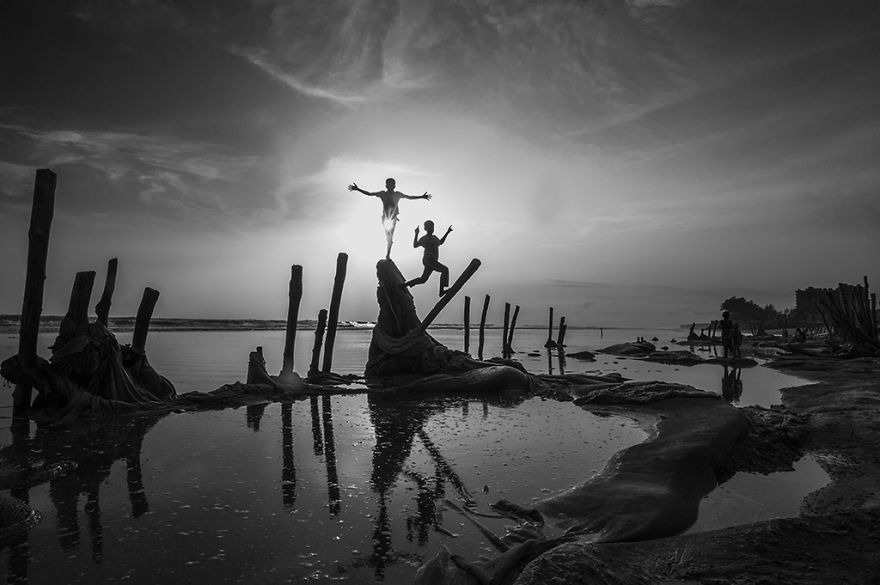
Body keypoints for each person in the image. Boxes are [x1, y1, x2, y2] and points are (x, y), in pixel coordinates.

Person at [349, 178, 431, 259]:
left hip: (392, 219)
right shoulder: (382, 194)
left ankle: (388, 254)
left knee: (390, 238)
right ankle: (388, 253)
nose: (390, 186)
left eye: (392, 184)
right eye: (389, 184)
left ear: (394, 186)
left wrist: (422, 196)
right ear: (386, 186)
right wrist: (358, 189)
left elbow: (409, 197)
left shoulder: (397, 194)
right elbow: (369, 194)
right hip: (386, 219)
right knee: (389, 237)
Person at [402, 221, 452, 296]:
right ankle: (441, 291)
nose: (432, 229)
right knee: (444, 270)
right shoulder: (424, 238)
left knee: (423, 279)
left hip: (432, 261)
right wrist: (416, 234)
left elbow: (440, 242)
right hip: (429, 260)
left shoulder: (434, 238)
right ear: (426, 229)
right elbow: (415, 245)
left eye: (432, 227)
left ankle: (404, 285)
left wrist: (447, 232)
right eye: (430, 227)